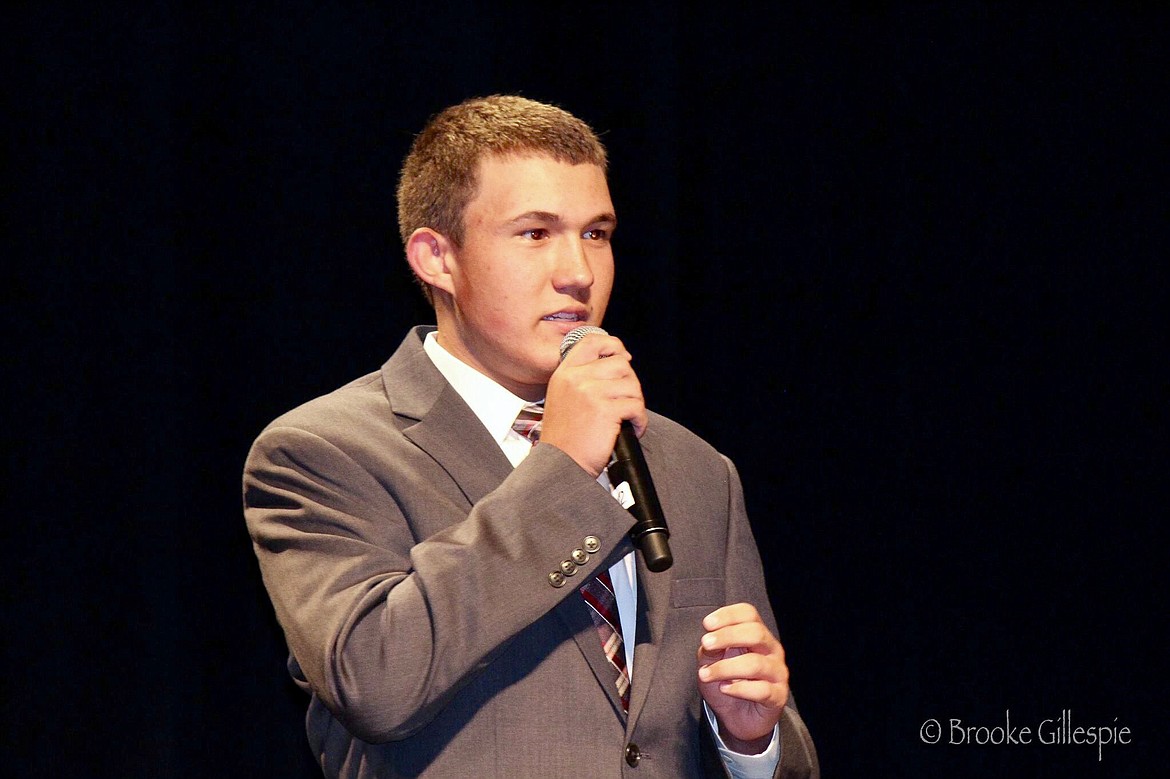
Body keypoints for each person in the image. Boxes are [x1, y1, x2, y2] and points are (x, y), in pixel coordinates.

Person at [243, 94, 818, 778]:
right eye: (535, 233)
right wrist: (565, 466)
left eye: (596, 233)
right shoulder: (323, 452)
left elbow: (766, 747)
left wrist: (752, 741)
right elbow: (375, 681)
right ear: (436, 258)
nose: (578, 270)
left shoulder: (694, 467)